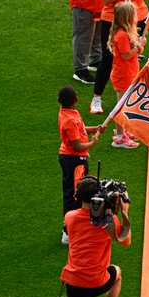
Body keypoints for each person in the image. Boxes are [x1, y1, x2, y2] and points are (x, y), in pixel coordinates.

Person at [48, 175, 131, 297]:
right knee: (118, 273)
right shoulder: (108, 222)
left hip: (73, 280)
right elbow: (125, 240)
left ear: (78, 196)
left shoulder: (70, 217)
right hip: (96, 281)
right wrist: (123, 211)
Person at [91, 0, 149, 114]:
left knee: (133, 56)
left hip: (137, 18)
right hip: (112, 20)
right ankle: (96, 98)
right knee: (108, 58)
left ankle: (132, 96)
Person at [56, 86, 104, 243]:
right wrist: (92, 143)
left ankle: (72, 229)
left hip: (73, 159)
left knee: (75, 194)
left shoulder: (69, 113)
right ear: (75, 100)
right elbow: (77, 146)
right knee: (74, 195)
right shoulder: (69, 119)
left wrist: (95, 129)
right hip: (74, 160)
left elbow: (81, 130)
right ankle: (68, 232)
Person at [108, 1, 144, 148]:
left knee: (125, 105)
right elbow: (125, 55)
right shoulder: (122, 36)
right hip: (123, 75)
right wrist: (139, 47)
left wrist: (138, 46)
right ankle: (119, 137)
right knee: (121, 107)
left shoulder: (125, 33)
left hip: (128, 73)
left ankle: (124, 132)